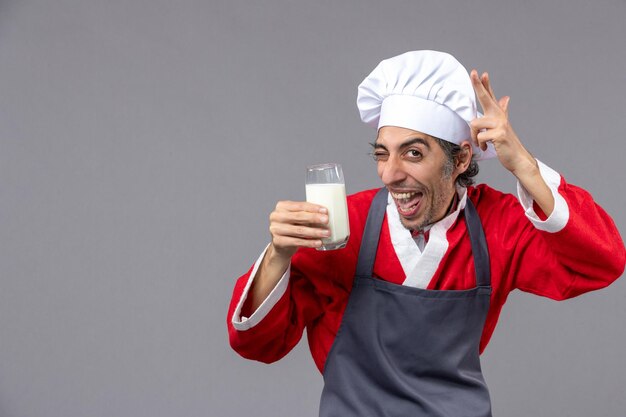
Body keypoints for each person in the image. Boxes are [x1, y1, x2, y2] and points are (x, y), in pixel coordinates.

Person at [226, 50, 625, 417]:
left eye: (413, 153)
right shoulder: (345, 223)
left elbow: (602, 262)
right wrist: (279, 254)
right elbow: (258, 344)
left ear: (462, 157)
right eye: (382, 153)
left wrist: (525, 166)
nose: (389, 173)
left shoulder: (497, 225)